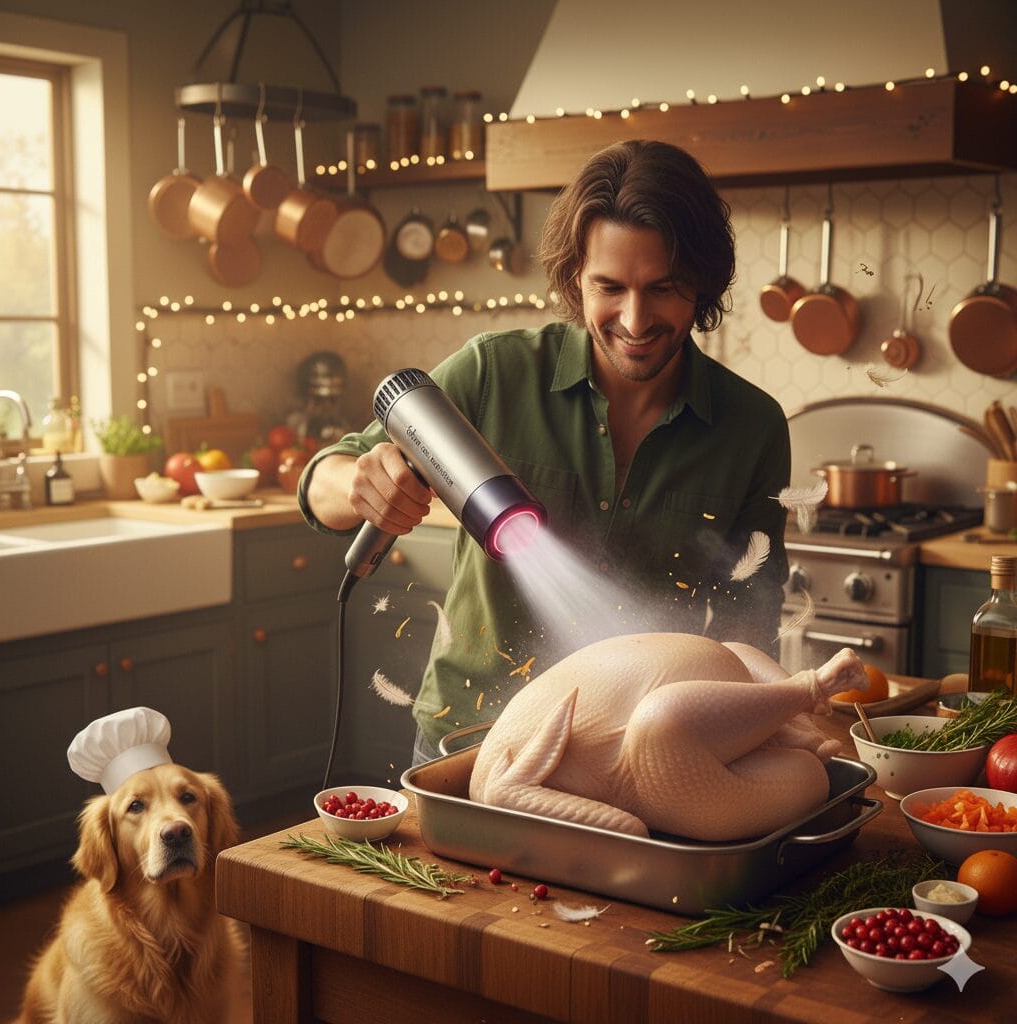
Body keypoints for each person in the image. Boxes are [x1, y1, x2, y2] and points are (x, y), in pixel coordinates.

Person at [299, 139, 790, 764]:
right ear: (574, 279)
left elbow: (752, 618)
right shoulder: (491, 374)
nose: (635, 320)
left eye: (663, 288)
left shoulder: (753, 427)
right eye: (609, 287)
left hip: (640, 756)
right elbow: (322, 480)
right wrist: (358, 485)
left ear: (702, 280)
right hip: (467, 738)